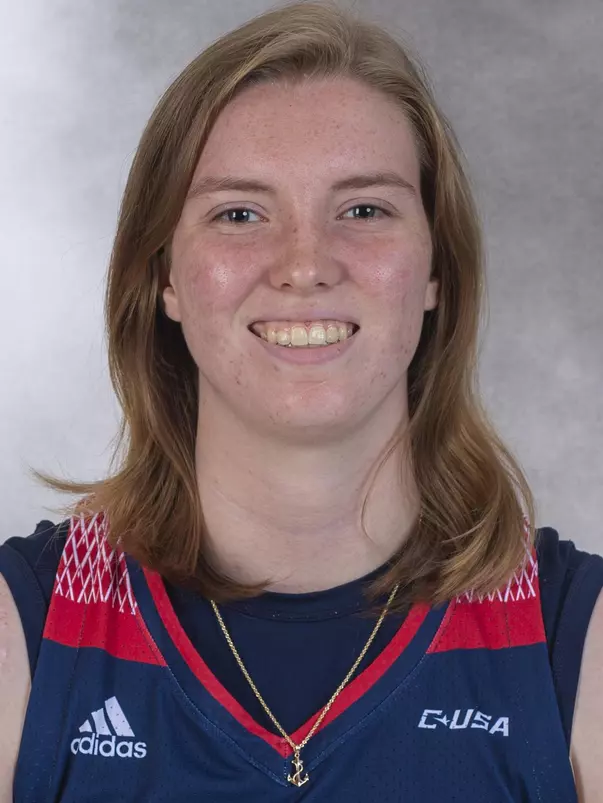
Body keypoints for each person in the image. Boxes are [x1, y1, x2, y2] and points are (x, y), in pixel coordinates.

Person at [1, 1, 602, 800]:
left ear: (434, 270)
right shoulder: (26, 637)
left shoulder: (576, 645)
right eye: (240, 212)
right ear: (164, 277)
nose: (304, 264)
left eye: (363, 209)